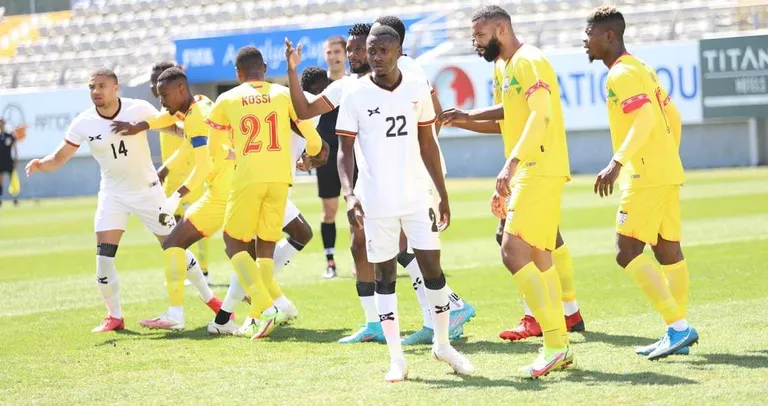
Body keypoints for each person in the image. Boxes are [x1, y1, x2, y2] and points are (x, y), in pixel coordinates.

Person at [286, 22, 475, 346]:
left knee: (404, 248)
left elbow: (433, 119)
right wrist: (292, 70)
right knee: (361, 245)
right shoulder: (349, 87)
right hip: (377, 182)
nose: (355, 55)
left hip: (416, 177)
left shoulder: (406, 73)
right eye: (351, 50)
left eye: (360, 49)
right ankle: (375, 323)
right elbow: (304, 111)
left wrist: (411, 158)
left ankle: (445, 311)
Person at [25, 69, 214, 333]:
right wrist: (41, 164)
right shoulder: (84, 122)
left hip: (148, 192)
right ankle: (114, 316)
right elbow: (61, 156)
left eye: (101, 86)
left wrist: (205, 136)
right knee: (103, 257)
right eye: (92, 87)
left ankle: (211, 299)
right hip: (113, 194)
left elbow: (175, 129)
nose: (96, 91)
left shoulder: (139, 109)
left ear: (116, 88)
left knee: (175, 246)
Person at [440, 5, 574, 378]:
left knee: (512, 250)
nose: (475, 43)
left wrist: (511, 164)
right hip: (529, 168)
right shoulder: (503, 67)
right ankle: (559, 344)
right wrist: (465, 119)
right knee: (540, 256)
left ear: (501, 29)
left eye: (480, 36)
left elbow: (540, 115)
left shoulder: (530, 60)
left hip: (538, 166)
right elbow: (509, 116)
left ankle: (555, 343)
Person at [335, 24, 473, 382]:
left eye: (383, 50)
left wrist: (442, 193)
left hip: (416, 197)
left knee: (433, 270)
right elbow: (344, 151)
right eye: (371, 51)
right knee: (385, 276)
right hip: (376, 201)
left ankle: (443, 344)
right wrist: (349, 195)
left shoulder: (416, 87)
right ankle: (397, 359)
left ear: (398, 52)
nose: (376, 57)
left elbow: (428, 144)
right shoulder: (355, 94)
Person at [585, 5, 698, 360]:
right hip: (664, 170)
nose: (585, 42)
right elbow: (672, 115)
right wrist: (667, 156)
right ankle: (677, 332)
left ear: (609, 36)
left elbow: (646, 117)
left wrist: (617, 161)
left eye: (589, 35)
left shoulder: (621, 73)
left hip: (644, 174)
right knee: (667, 251)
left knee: (627, 251)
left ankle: (678, 328)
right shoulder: (641, 67)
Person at [204, 46, 327, 339]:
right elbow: (313, 140)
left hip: (248, 178)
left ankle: (264, 306)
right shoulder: (284, 95)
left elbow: (214, 149)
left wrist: (235, 153)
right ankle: (263, 313)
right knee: (266, 248)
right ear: (265, 68)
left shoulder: (227, 99)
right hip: (281, 180)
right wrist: (311, 154)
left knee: (233, 243)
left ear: (238, 73)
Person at [110, 67, 231, 330]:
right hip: (231, 187)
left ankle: (181, 315)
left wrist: (176, 196)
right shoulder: (199, 104)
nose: (161, 101)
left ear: (181, 89)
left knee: (176, 242)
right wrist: (140, 126)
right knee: (241, 251)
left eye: (164, 95)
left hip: (224, 193)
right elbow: (166, 119)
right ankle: (248, 309)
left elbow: (203, 166)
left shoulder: (196, 119)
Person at [149, 62, 213, 283]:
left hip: (191, 174)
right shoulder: (165, 111)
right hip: (171, 178)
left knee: (197, 225)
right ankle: (186, 270)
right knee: (173, 228)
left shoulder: (185, 110)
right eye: (152, 82)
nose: (153, 86)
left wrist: (166, 167)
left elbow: (188, 142)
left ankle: (203, 270)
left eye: (157, 81)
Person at [317, 38, 347, 279]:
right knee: (329, 211)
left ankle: (363, 260)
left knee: (360, 208)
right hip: (326, 155)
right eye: (329, 52)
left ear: (345, 54)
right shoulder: (318, 86)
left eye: (337, 51)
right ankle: (330, 262)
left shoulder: (355, 83)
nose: (333, 56)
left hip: (352, 152)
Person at [0, 118, 19, 207]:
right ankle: (0, 198)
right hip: (0, 161)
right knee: (0, 180)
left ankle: (15, 197)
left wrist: (16, 160)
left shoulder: (10, 135)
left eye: (2, 123)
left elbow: (15, 148)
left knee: (12, 179)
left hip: (8, 160)